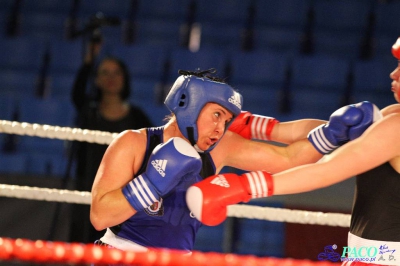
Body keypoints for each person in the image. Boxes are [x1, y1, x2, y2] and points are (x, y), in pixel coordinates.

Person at [90, 68, 377, 254]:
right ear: (187, 103)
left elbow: (290, 157)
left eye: (227, 121)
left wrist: (334, 132)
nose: (220, 129)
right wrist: (151, 183)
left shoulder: (220, 148)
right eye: (216, 115)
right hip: (118, 255)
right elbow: (100, 216)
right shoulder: (134, 143)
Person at [187, 38, 400, 265]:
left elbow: (327, 170)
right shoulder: (392, 117)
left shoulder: (395, 127)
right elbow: (335, 133)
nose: (393, 74)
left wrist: (243, 187)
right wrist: (255, 125)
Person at [70, 39, 153, 244]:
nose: (111, 78)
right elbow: (77, 94)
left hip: (124, 195)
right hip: (88, 188)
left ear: (124, 78)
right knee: (83, 243)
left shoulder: (137, 117)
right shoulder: (89, 113)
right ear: (96, 80)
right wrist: (89, 60)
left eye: (116, 72)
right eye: (104, 72)